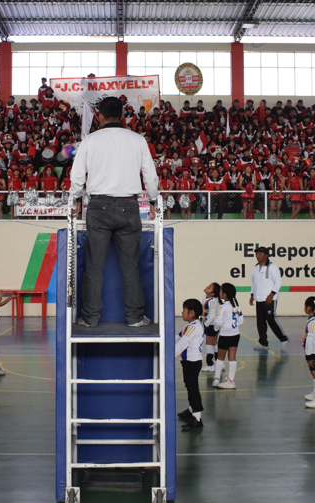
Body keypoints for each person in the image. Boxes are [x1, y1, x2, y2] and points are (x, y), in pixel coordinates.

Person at [70, 96, 159, 328]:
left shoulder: (90, 140)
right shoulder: (137, 140)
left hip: (98, 207)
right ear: (123, 116)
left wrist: (76, 200)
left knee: (94, 266)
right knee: (131, 266)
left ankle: (90, 318)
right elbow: (150, 176)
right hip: (129, 206)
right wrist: (152, 200)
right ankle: (135, 317)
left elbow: (77, 176)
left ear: (99, 116)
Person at [250, 246, 288, 351]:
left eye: (260, 254)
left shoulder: (272, 267)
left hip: (269, 299)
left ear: (266, 255)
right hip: (259, 298)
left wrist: (271, 294)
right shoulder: (255, 267)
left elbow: (278, 282)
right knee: (260, 321)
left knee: (271, 319)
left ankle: (283, 338)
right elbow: (253, 282)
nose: (258, 256)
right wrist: (252, 295)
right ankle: (263, 343)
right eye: (257, 254)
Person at [175, 298, 205, 430]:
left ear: (191, 313)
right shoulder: (190, 326)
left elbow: (183, 343)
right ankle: (191, 409)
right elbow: (178, 336)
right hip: (188, 362)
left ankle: (197, 419)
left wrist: (168, 353)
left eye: (184, 310)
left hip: (192, 362)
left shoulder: (193, 328)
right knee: (189, 385)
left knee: (193, 389)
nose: (182, 313)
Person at [212, 283, 243, 389]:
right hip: (235, 334)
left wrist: (216, 328)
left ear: (224, 294)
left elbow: (218, 321)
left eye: (221, 291)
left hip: (225, 335)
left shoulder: (222, 307)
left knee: (220, 358)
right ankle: (231, 380)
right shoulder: (237, 306)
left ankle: (216, 379)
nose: (219, 293)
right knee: (232, 358)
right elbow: (241, 320)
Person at [201, 282, 220, 372]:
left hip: (211, 325)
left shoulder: (212, 301)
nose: (206, 287)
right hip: (209, 324)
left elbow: (212, 316)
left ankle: (210, 364)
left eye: (209, 287)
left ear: (212, 293)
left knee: (209, 344)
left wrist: (205, 324)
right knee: (214, 344)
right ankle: (219, 363)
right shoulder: (205, 297)